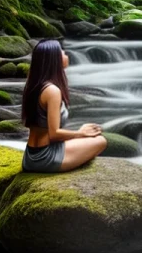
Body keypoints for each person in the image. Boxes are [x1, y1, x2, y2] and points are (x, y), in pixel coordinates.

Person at [21, 39, 107, 173]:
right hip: (45, 158)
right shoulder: (52, 91)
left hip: (31, 156)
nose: (66, 54)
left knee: (91, 139)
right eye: (62, 52)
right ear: (54, 59)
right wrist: (80, 133)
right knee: (101, 141)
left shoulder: (34, 85)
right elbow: (54, 134)